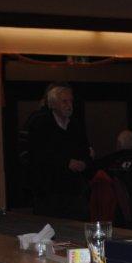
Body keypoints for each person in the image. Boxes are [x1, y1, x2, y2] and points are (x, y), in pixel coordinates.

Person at [28, 82, 91, 220]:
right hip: (49, 191)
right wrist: (66, 163)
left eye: (71, 101)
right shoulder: (41, 124)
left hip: (74, 190)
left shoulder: (75, 125)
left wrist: (84, 162)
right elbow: (39, 155)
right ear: (53, 104)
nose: (69, 105)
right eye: (64, 101)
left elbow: (85, 149)